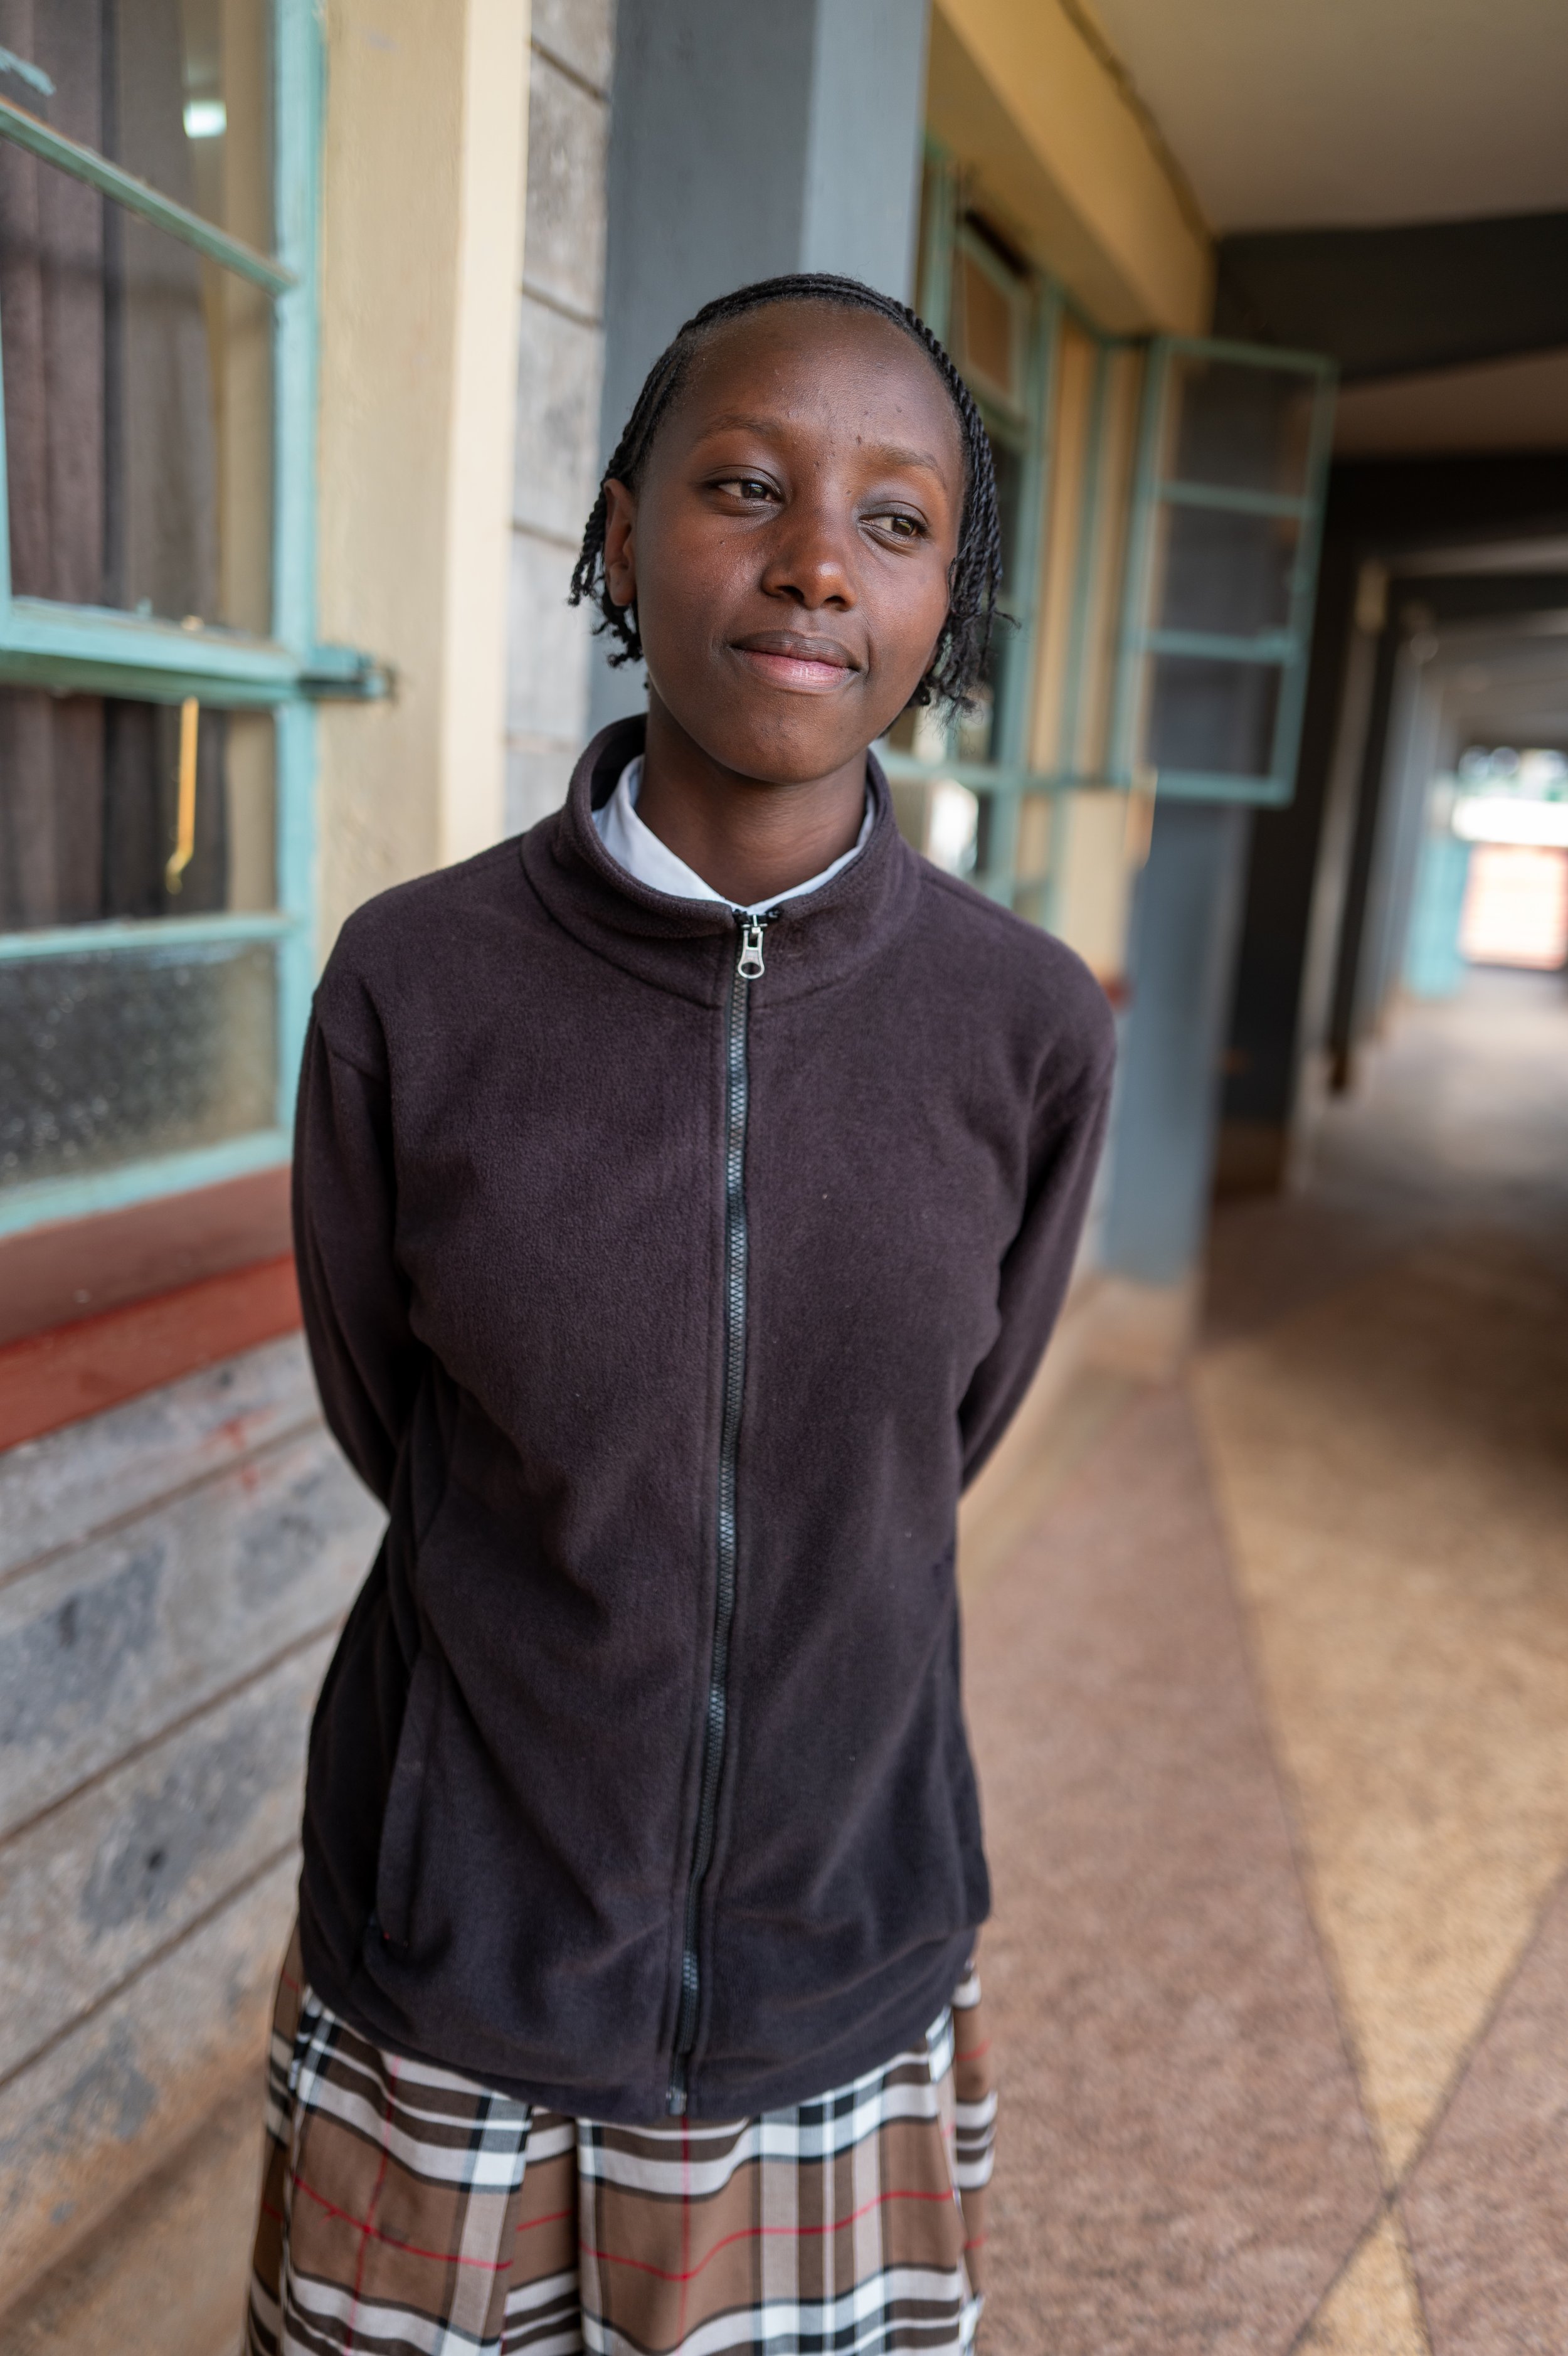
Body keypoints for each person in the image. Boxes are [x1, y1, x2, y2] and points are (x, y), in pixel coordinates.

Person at [246, 272, 1115, 2356]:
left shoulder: (1021, 1025)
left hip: (840, 1941)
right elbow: (403, 1418)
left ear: (943, 600)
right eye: (744, 486)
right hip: (458, 1944)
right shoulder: (412, 984)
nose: (817, 557)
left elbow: (940, 1430)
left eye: (896, 522)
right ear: (620, 531)